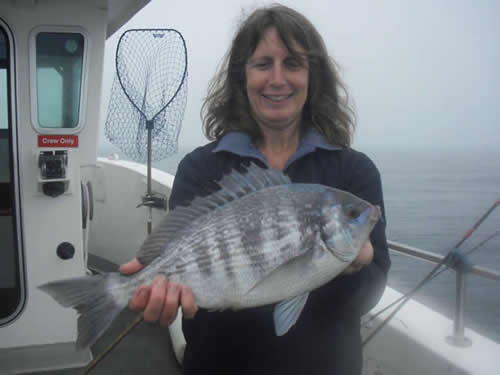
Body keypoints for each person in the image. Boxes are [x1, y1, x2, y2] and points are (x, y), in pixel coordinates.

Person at [120, 4, 390, 374]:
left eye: (293, 64)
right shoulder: (201, 168)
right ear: (242, 76)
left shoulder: (355, 171)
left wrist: (357, 265)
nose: (277, 79)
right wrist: (163, 286)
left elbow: (368, 296)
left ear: (312, 77)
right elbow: (191, 287)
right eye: (263, 64)